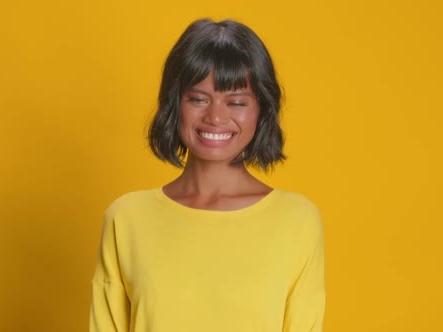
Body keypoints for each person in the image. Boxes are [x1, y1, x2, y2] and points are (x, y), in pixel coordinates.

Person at [90, 18, 325, 332]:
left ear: (262, 109)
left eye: (237, 102)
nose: (215, 116)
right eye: (198, 99)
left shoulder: (297, 220)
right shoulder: (126, 219)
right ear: (174, 103)